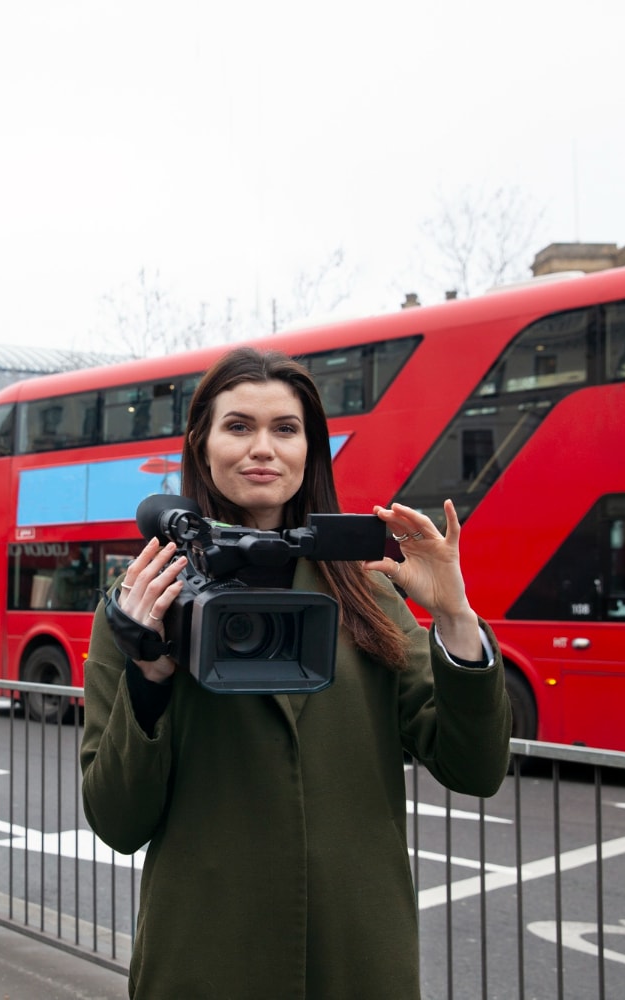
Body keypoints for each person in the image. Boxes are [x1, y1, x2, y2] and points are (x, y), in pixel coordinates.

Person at [80, 347, 512, 999]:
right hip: (204, 961)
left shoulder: (369, 592)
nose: (263, 448)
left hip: (358, 959)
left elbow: (475, 769)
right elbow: (117, 819)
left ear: (311, 449)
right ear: (201, 443)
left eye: (285, 428)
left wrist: (454, 615)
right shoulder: (142, 603)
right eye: (238, 426)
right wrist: (150, 672)